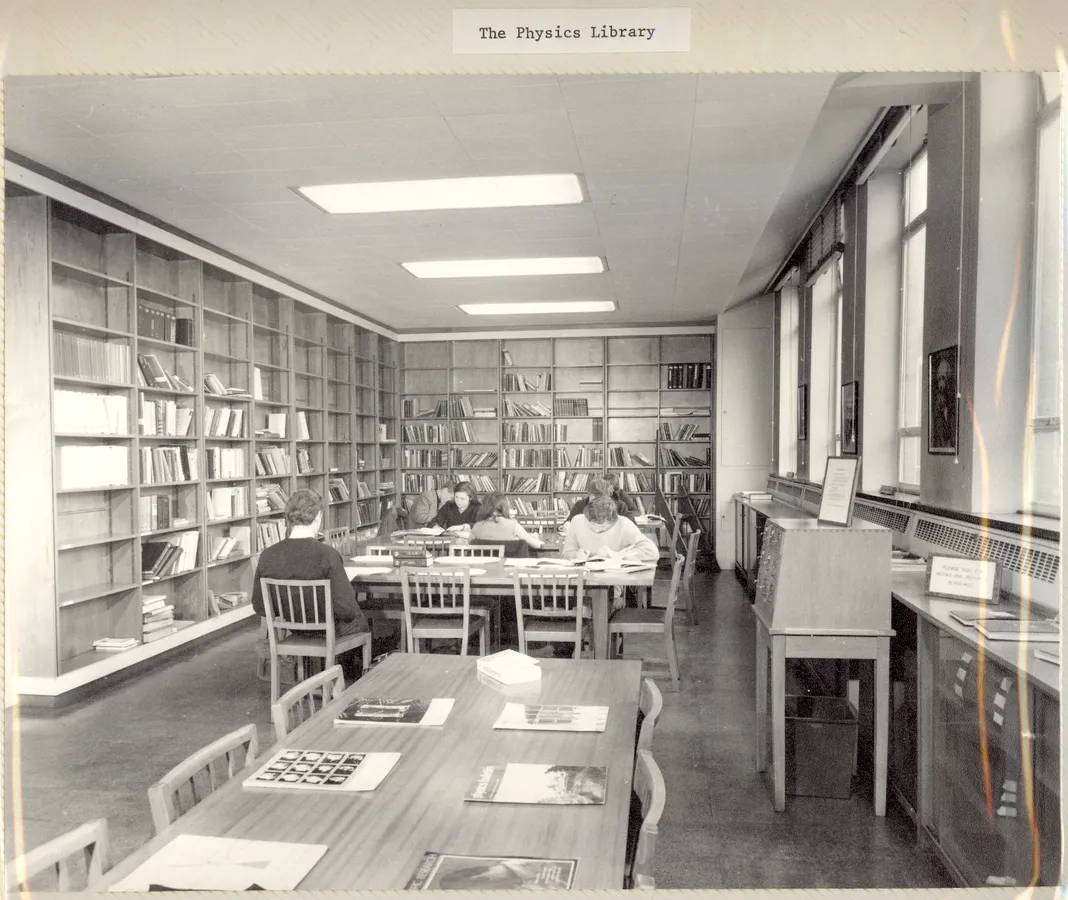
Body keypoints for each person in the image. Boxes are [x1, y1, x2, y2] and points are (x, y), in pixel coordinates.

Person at [250, 489, 392, 682]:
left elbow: (260, 606)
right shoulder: (327, 555)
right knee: (360, 622)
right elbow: (346, 608)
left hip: (294, 630)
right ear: (318, 517)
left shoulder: (267, 555)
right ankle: (352, 674)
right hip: (327, 631)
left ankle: (323, 675)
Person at [562, 495, 659, 563]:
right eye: (591, 524)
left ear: (613, 520)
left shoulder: (623, 523)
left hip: (614, 579)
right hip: (584, 576)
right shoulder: (577, 521)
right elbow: (566, 552)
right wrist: (575, 555)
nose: (596, 529)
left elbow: (652, 552)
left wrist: (618, 556)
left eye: (602, 526)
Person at [469, 492, 543, 549]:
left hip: (485, 567)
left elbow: (469, 542)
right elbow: (537, 545)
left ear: (483, 507)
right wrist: (535, 537)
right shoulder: (513, 525)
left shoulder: (477, 526)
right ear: (504, 507)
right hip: (509, 566)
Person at [564, 477, 634, 524]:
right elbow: (567, 523)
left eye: (602, 498)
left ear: (608, 495)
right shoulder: (580, 505)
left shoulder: (620, 506)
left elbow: (633, 527)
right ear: (589, 495)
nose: (598, 502)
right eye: (595, 498)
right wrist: (564, 527)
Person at [931, 356, 956, 450]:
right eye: (939, 379)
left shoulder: (950, 394)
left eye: (943, 378)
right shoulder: (939, 396)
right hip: (941, 425)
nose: (941, 383)